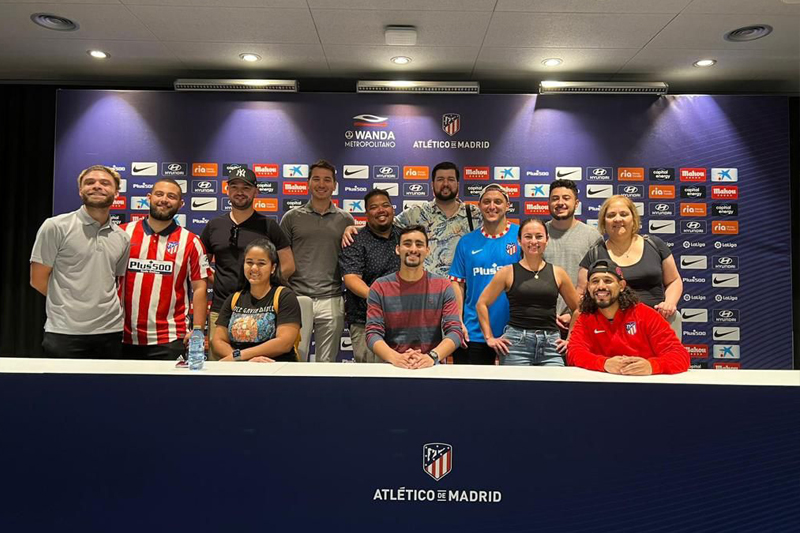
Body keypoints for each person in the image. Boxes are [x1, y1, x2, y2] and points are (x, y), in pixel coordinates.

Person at [30, 164, 130, 358]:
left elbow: (114, 280)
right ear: (80, 190)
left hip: (110, 332)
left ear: (116, 192)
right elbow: (37, 280)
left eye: (105, 183)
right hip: (64, 332)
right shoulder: (55, 227)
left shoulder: (122, 237)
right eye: (90, 182)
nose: (97, 186)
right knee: (62, 389)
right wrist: (70, 305)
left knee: (107, 389)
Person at [200, 166, 294, 360]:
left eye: (246, 187)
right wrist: (220, 282)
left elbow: (288, 265)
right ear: (227, 190)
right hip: (222, 310)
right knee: (221, 373)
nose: (240, 191)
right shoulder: (214, 226)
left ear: (256, 191)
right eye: (234, 186)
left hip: (262, 312)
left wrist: (264, 288)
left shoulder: (269, 225)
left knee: (262, 368)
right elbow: (202, 267)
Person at [119, 178, 209, 360]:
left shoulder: (191, 241)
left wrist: (198, 330)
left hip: (170, 338)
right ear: (149, 197)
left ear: (181, 204)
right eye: (159, 194)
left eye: (171, 196)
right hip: (122, 335)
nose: (164, 200)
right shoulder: (123, 233)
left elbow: (200, 288)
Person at [342, 161, 478, 277]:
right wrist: (353, 228)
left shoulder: (474, 214)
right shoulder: (416, 213)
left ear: (458, 184)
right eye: (440, 179)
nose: (445, 184)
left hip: (462, 292)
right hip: (424, 292)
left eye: (451, 179)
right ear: (432, 184)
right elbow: (384, 223)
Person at [477, 218, 580, 366]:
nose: (533, 241)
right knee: (517, 390)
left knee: (555, 388)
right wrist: (489, 337)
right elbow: (482, 303)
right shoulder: (507, 272)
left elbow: (578, 308)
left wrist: (571, 339)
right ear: (519, 241)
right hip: (516, 345)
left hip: (551, 345)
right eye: (528, 236)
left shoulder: (558, 273)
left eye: (539, 236)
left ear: (547, 239)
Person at [280, 159, 355, 362]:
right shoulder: (291, 217)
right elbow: (281, 260)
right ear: (308, 183)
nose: (322, 184)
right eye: (317, 179)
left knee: (327, 364)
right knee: (294, 360)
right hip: (296, 298)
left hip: (331, 298)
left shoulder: (346, 220)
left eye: (327, 180)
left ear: (334, 185)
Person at [577, 195, 683, 335]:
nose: (618, 219)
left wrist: (669, 303)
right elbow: (581, 294)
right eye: (611, 215)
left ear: (633, 219)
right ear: (604, 222)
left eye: (624, 214)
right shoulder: (595, 254)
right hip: (613, 328)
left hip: (658, 320)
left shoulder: (655, 245)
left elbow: (674, 280)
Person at [365, 226, 464, 369]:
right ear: (398, 249)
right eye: (407, 244)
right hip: (392, 366)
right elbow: (372, 334)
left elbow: (455, 332)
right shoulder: (379, 287)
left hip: (431, 366)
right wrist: (396, 358)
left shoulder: (443, 285)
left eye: (419, 244)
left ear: (427, 251)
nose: (413, 249)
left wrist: (432, 357)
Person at [568, 259, 689, 375]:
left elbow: (680, 355)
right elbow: (574, 353)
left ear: (621, 286)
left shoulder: (646, 315)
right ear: (588, 287)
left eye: (608, 281)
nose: (600, 286)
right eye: (595, 281)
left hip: (645, 386)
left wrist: (652, 366)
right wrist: (604, 363)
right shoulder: (585, 318)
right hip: (603, 386)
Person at [449, 184, 520, 365]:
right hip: (474, 333)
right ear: (479, 206)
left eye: (498, 201)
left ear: (507, 205)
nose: (492, 206)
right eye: (487, 202)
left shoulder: (521, 236)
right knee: (471, 391)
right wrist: (458, 321)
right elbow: (457, 282)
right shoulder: (467, 241)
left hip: (514, 332)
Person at [212, 239, 301, 362]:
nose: (254, 268)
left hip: (275, 367)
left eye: (261, 263)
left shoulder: (284, 296)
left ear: (273, 268)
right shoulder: (234, 298)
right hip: (239, 368)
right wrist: (243, 361)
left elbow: (284, 343)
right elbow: (218, 340)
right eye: (249, 262)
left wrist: (241, 356)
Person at [339, 189, 401, 363]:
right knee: (369, 379)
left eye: (385, 205)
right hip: (365, 321)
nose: (381, 210)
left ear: (393, 209)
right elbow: (351, 279)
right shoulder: (355, 239)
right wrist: (380, 299)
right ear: (366, 213)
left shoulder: (403, 237)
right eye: (374, 207)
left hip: (402, 320)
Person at [543, 179, 602, 335]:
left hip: (582, 318)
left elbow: (598, 280)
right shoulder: (538, 235)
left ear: (576, 203)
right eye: (555, 198)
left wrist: (574, 311)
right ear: (548, 202)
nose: (560, 202)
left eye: (566, 198)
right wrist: (546, 312)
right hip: (542, 321)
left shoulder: (592, 236)